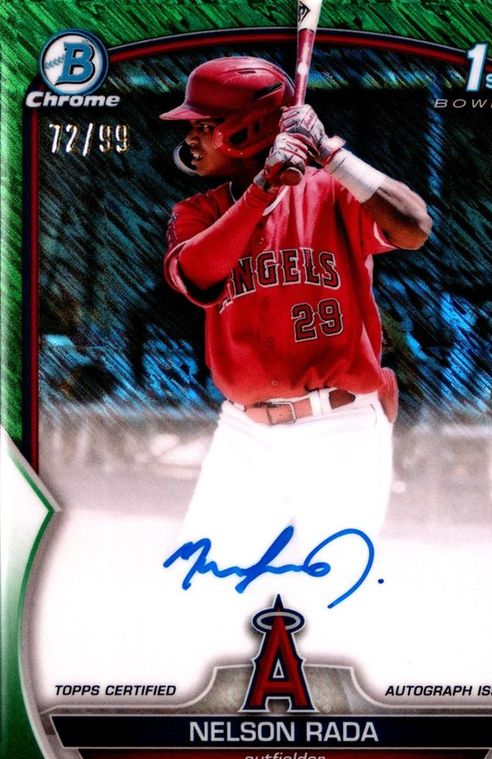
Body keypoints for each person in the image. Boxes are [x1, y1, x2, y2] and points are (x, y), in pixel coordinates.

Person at [160, 56, 432, 615]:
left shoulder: (331, 192)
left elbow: (415, 227)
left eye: (204, 124)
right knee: (197, 594)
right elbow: (197, 275)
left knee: (335, 602)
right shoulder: (197, 212)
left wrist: (332, 155)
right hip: (244, 433)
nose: (190, 136)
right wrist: (263, 188)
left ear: (246, 129)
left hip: (341, 427)